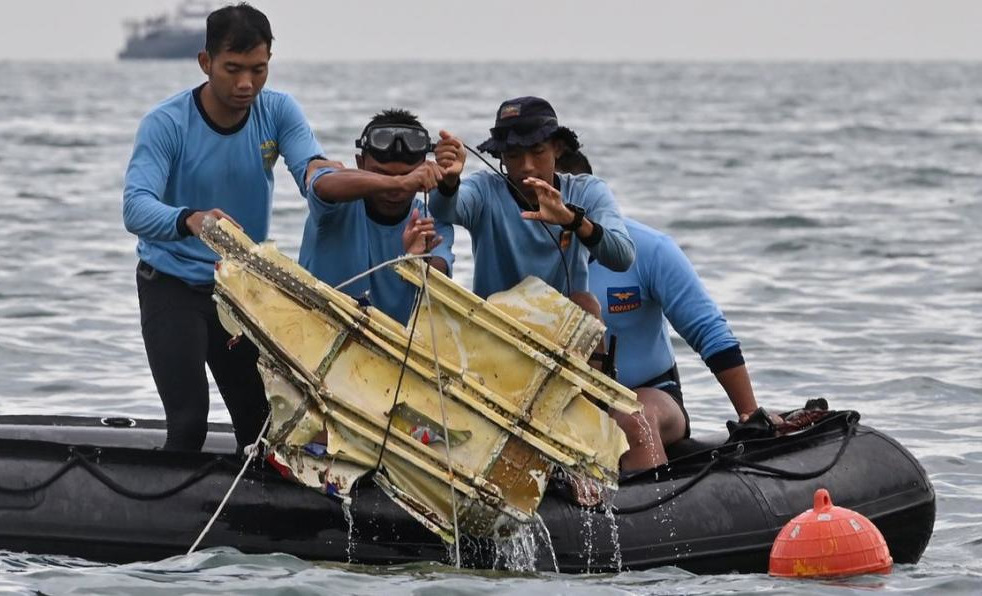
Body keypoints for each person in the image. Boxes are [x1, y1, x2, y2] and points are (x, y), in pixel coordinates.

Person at [122, 3, 332, 451]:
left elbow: (310, 171)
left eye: (258, 70)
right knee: (189, 423)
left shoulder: (277, 111)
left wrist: (359, 182)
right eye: (232, 69)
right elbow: (135, 209)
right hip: (172, 285)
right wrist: (191, 219)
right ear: (205, 62)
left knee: (262, 429)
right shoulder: (166, 123)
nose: (245, 84)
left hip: (239, 291)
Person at [556, 151, 776, 471]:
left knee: (633, 420)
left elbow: (709, 332)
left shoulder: (650, 249)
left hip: (651, 396)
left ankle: (660, 515)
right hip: (560, 402)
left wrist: (749, 414)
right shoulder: (523, 260)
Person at [430, 96, 634, 306]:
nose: (527, 166)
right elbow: (444, 210)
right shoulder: (484, 190)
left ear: (558, 148)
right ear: (501, 156)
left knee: (586, 304)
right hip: (495, 324)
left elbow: (622, 257)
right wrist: (449, 180)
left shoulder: (587, 191)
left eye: (537, 151)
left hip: (564, 326)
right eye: (514, 155)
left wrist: (573, 220)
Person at [299, 109, 455, 322]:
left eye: (408, 174)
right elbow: (321, 184)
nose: (395, 190)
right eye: (381, 174)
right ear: (360, 163)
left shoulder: (429, 221)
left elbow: (442, 276)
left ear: (424, 169)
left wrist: (417, 263)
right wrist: (402, 182)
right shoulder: (335, 205)